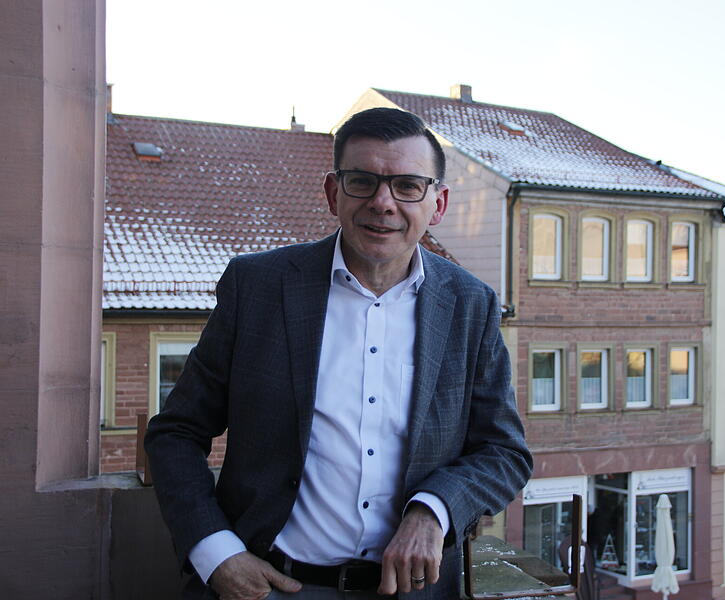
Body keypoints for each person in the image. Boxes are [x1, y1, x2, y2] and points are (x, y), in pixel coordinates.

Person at [145, 107, 533, 600]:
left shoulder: (470, 304)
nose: (383, 203)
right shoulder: (259, 287)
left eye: (408, 186)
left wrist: (434, 508)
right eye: (362, 181)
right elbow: (175, 432)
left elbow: (504, 452)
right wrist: (214, 551)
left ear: (438, 203)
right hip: (269, 585)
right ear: (333, 192)